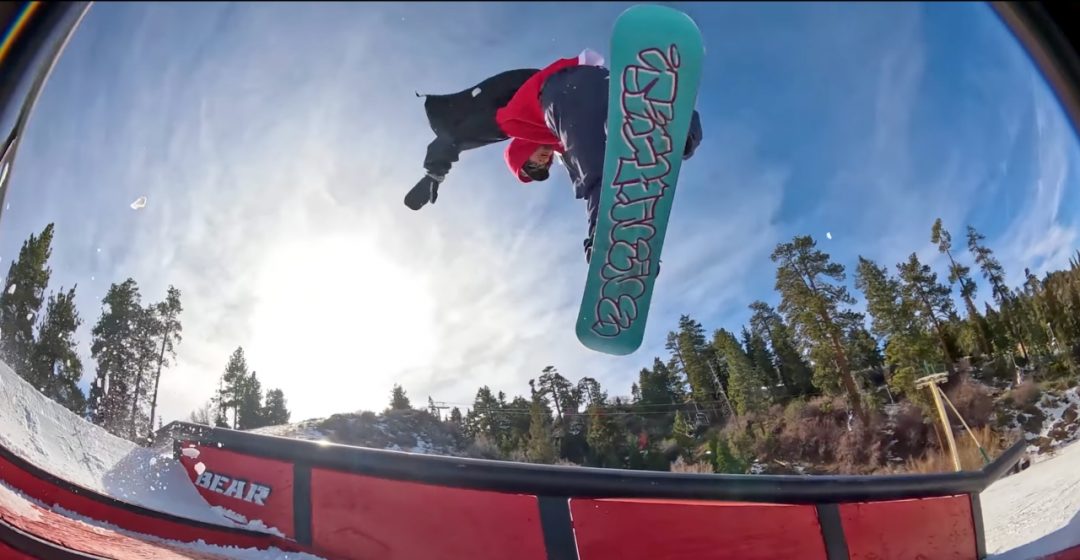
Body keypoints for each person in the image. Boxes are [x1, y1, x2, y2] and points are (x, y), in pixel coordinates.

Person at [405, 49, 703, 263]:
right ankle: (678, 129)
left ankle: (612, 236)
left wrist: (434, 172)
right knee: (650, 143)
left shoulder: (512, 119)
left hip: (563, 90)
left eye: (532, 163)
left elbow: (457, 135)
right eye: (540, 169)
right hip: (603, 84)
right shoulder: (562, 145)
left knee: (596, 167)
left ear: (522, 150)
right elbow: (584, 183)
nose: (542, 162)